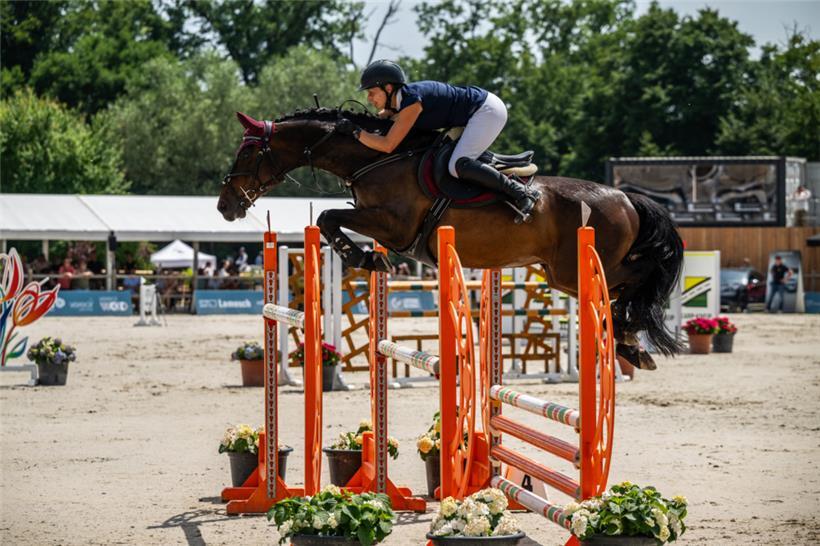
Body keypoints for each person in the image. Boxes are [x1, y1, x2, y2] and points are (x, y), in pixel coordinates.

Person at [336, 60, 540, 223]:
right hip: (471, 114)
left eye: (372, 92)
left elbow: (388, 145)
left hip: (486, 112)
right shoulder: (401, 100)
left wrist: (356, 132)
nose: (370, 98)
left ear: (388, 88)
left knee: (457, 165)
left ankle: (521, 193)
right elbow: (384, 117)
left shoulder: (411, 102)